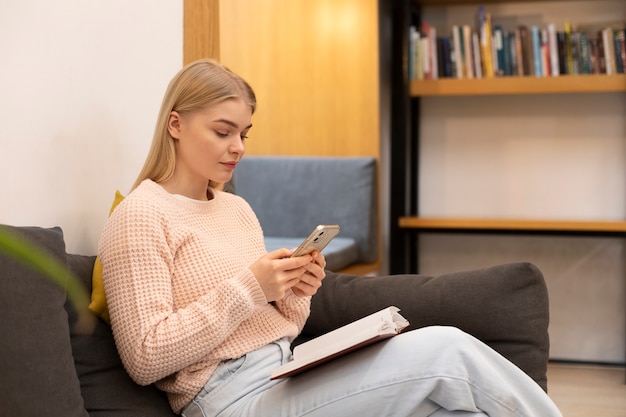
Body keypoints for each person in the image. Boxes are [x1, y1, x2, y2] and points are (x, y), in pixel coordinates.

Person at [98, 59, 563, 417]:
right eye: (223, 131)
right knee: (446, 348)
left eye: (244, 132)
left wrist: (296, 290)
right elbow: (145, 356)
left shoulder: (235, 209)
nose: (238, 146)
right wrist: (249, 288)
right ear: (175, 125)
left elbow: (279, 321)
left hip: (287, 369)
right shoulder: (141, 215)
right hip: (232, 399)